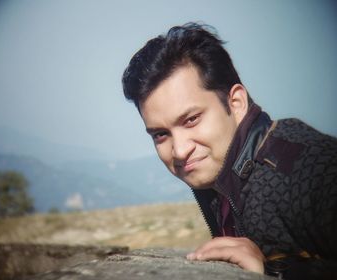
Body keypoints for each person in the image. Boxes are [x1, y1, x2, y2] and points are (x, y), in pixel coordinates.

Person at [121, 23, 337, 279]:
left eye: (191, 120)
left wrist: (273, 272)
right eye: (160, 134)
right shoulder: (222, 176)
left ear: (236, 103)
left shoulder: (313, 170)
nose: (179, 150)